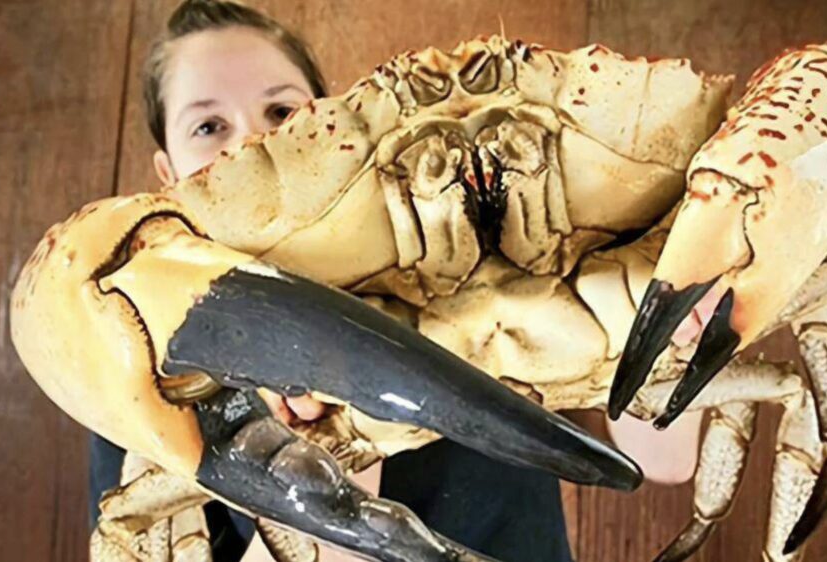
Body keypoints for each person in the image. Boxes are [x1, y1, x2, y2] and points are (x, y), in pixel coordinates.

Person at [90, 1, 703, 560]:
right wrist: (319, 466)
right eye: (208, 127)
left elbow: (661, 461)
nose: (250, 139)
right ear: (167, 175)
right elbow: (134, 536)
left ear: (325, 122)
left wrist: (671, 328)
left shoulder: (486, 250)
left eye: (281, 111)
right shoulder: (147, 367)